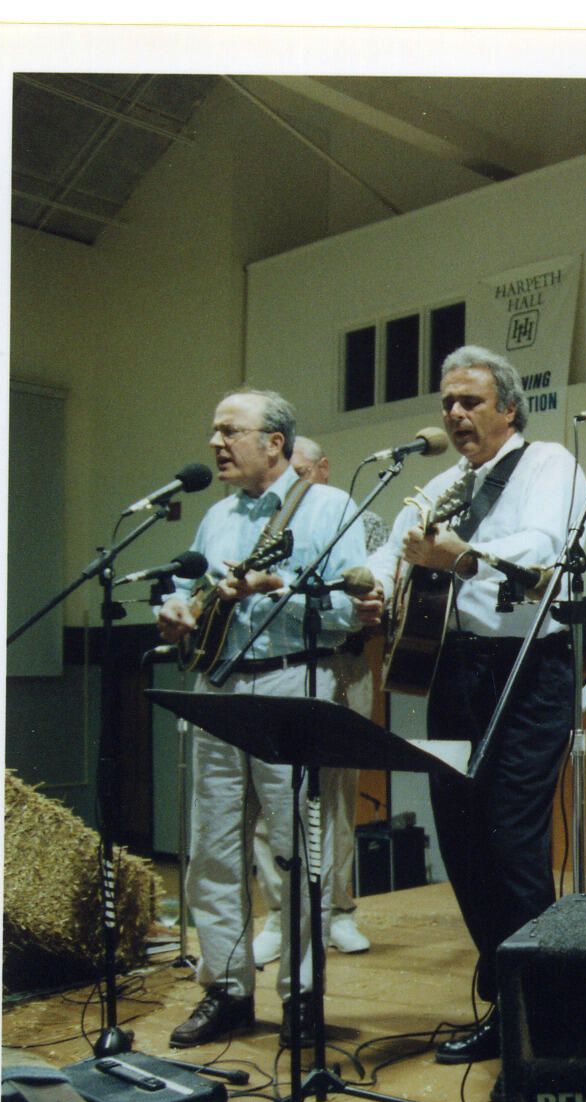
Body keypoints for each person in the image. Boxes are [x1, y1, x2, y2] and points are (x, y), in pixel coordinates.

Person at [364, 345, 586, 1067]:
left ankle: (541, 1027)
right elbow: (396, 544)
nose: (455, 414)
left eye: (471, 402)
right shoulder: (446, 482)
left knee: (512, 842)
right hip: (454, 672)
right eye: (447, 404)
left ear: (510, 409)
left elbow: (540, 550)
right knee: (459, 836)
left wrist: (460, 556)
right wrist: (371, 583)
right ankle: (505, 998)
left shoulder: (548, 464)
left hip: (525, 670)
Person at [155, 389, 373, 1049]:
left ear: (274, 442)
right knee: (214, 850)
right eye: (215, 431)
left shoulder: (328, 507)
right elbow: (189, 588)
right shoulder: (216, 516)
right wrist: (176, 610)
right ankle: (226, 991)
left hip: (292, 679)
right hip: (219, 685)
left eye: (231, 431)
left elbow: (353, 609)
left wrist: (278, 589)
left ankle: (301, 996)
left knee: (297, 850)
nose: (216, 443)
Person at [250, 436, 378, 964]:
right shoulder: (267, 524)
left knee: (337, 794)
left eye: (301, 472)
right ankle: (279, 915)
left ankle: (340, 911)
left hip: (343, 663)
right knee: (274, 796)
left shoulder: (364, 523)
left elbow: (387, 593)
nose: (292, 483)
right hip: (281, 668)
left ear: (324, 469)